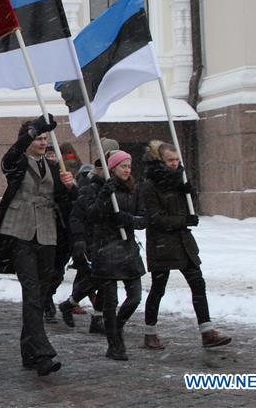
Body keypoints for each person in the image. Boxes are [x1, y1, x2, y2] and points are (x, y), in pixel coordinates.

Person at [0, 115, 76, 378]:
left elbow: (67, 203)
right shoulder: (17, 163)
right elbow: (8, 157)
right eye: (37, 138)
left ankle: (28, 351)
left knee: (40, 294)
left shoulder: (53, 167)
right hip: (20, 231)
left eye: (44, 138)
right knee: (31, 292)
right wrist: (32, 129)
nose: (41, 142)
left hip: (47, 234)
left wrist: (71, 188)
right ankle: (42, 354)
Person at [141, 141, 231, 350]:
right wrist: (182, 221)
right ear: (159, 161)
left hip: (183, 242)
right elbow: (155, 218)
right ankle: (150, 332)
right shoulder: (149, 185)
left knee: (198, 283)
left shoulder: (179, 179)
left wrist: (190, 193)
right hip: (162, 244)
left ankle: (207, 331)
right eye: (170, 160)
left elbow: (185, 207)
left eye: (177, 160)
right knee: (158, 288)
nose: (174, 164)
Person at [89, 150, 147, 360]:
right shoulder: (101, 188)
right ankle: (114, 344)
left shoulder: (135, 189)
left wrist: (128, 219)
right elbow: (91, 215)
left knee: (135, 297)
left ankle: (117, 326)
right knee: (110, 303)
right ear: (112, 168)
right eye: (123, 166)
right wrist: (104, 196)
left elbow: (144, 219)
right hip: (106, 249)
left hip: (128, 249)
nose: (127, 170)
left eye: (129, 166)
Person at [60, 138, 120, 334]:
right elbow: (80, 213)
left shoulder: (119, 181)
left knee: (100, 280)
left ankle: (92, 315)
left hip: (110, 239)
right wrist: (80, 240)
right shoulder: (90, 181)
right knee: (97, 279)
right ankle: (78, 307)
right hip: (92, 239)